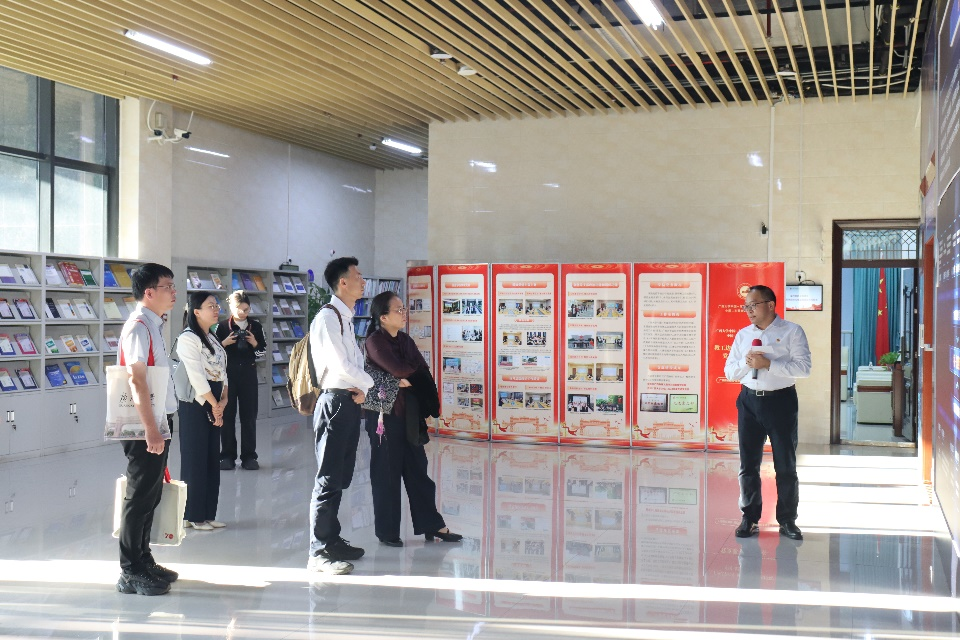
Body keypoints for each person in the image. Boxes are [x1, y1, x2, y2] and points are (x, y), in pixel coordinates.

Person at [363, 291, 462, 547]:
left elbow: (420, 369)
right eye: (398, 310)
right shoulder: (374, 341)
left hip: (409, 414)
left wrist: (407, 377)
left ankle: (432, 524)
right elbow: (400, 369)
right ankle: (387, 532)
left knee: (418, 470)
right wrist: (404, 376)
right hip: (383, 416)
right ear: (383, 317)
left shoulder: (405, 340)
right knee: (386, 473)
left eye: (404, 308)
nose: (404, 313)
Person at [724, 285, 811, 541]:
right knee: (748, 465)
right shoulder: (743, 335)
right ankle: (749, 518)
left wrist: (769, 364)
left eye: (754, 305)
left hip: (781, 402)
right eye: (746, 306)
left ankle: (787, 520)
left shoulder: (792, 331)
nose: (749, 310)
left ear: (770, 305)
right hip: (749, 402)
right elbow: (729, 372)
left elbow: (804, 368)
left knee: (785, 465)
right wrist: (747, 362)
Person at [115, 263, 179, 596]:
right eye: (168, 286)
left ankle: (143, 558)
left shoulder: (155, 324)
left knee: (151, 494)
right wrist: (150, 430)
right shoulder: (138, 327)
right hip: (144, 424)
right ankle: (130, 570)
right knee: (139, 495)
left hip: (158, 420)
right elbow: (136, 380)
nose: (174, 292)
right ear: (149, 292)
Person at [307, 257, 374, 575]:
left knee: (340, 477)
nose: (363, 281)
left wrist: (361, 389)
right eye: (358, 276)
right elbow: (338, 364)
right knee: (328, 478)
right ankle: (318, 551)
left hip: (348, 400)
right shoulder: (327, 317)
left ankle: (332, 540)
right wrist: (370, 385)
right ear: (342, 282)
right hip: (333, 403)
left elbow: (355, 363)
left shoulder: (345, 317)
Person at [176, 293, 229, 531]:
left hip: (215, 398)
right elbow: (196, 376)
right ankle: (192, 515)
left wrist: (224, 399)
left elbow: (223, 371)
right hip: (196, 401)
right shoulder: (188, 338)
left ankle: (208, 513)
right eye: (210, 306)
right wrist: (214, 404)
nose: (216, 309)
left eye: (216, 305)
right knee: (194, 458)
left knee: (211, 458)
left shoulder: (213, 337)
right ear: (196, 311)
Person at [215, 291, 267, 470]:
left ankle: (249, 456)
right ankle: (227, 456)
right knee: (227, 416)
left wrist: (254, 343)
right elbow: (213, 353)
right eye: (240, 309)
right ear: (231, 308)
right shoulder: (222, 327)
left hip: (248, 375)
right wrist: (224, 343)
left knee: (249, 416)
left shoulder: (256, 326)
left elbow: (262, 352)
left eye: (247, 309)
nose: (244, 313)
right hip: (228, 377)